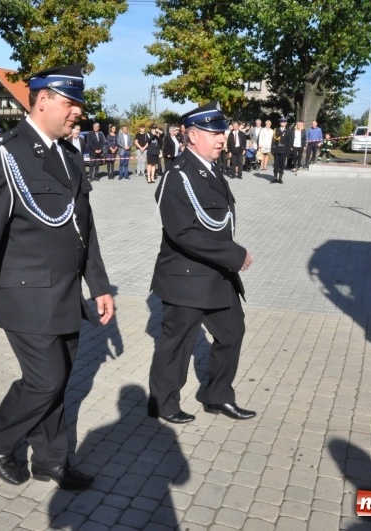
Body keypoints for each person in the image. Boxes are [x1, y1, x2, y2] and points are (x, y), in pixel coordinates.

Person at [0, 64, 114, 491]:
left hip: (66, 294)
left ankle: (51, 461)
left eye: (79, 104)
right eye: (71, 103)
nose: (78, 112)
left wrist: (100, 286)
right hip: (23, 294)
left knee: (60, 380)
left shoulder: (70, 155)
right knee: (46, 379)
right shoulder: (3, 152)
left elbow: (84, 230)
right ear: (43, 100)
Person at [148, 101, 255, 425]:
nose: (222, 138)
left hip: (217, 278)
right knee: (177, 345)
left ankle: (217, 395)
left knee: (232, 333)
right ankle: (163, 403)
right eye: (214, 132)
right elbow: (183, 233)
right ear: (193, 136)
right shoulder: (177, 175)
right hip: (186, 278)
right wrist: (235, 255)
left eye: (222, 131)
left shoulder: (211, 170)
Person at [271, 118, 289, 183]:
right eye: (281, 122)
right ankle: (275, 177)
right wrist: (272, 149)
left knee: (282, 164)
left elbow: (289, 142)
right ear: (280, 123)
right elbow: (273, 140)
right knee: (276, 164)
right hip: (277, 149)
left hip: (284, 150)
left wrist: (288, 151)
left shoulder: (288, 131)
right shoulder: (276, 130)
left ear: (286, 123)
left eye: (284, 122)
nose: (283, 123)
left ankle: (280, 178)